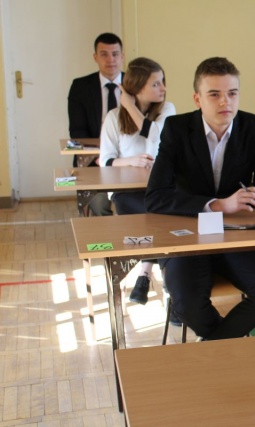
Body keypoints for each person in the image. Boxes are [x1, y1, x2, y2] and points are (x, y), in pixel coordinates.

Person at [145, 57, 255, 340]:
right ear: (197, 99)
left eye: (232, 93)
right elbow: (155, 197)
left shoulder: (253, 127)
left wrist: (250, 195)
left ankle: (216, 345)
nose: (225, 102)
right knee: (187, 304)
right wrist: (218, 205)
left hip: (233, 233)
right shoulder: (176, 128)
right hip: (188, 234)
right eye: (214, 94)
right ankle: (227, 348)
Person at [99, 57, 176, 304]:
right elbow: (105, 160)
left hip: (160, 187)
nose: (163, 88)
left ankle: (146, 275)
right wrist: (130, 161)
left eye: (162, 81)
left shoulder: (167, 110)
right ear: (137, 87)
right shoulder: (113, 118)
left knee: (161, 217)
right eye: (155, 84)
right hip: (127, 191)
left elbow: (155, 136)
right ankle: (159, 281)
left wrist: (129, 105)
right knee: (149, 218)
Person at [68, 32, 125, 216]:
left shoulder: (135, 85)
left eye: (115, 54)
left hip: (129, 159)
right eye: (104, 54)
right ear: (95, 57)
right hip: (94, 161)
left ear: (122, 56)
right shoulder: (80, 87)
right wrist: (102, 157)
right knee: (99, 204)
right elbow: (77, 132)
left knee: (132, 203)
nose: (110, 60)